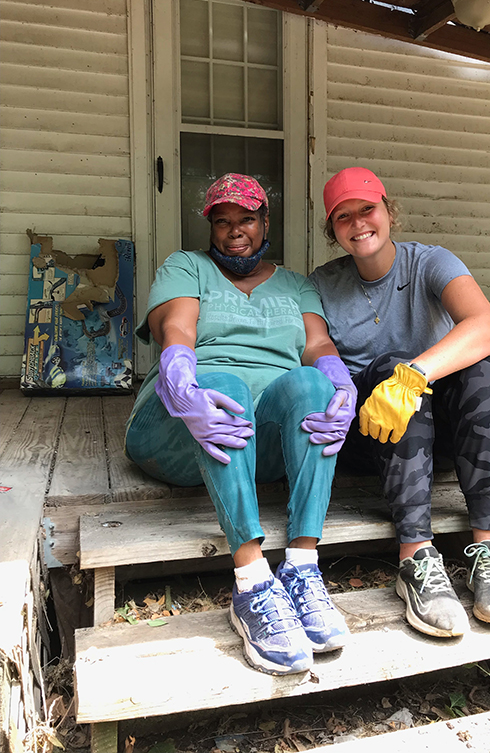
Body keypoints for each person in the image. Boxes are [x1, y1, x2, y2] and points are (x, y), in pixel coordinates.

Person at [125, 173, 356, 675]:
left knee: (312, 385)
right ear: (210, 227)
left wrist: (340, 381)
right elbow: (178, 328)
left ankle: (301, 569)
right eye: (223, 221)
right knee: (225, 388)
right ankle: (252, 583)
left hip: (259, 441)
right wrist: (181, 379)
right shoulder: (187, 267)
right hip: (182, 421)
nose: (235, 231)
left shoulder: (296, 283)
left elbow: (315, 345)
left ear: (264, 221)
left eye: (246, 219)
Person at [309, 166, 490, 639]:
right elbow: (317, 351)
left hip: (441, 442)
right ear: (333, 230)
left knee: (480, 369)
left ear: (388, 210)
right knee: (388, 368)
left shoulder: (430, 262)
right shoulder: (322, 284)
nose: (358, 223)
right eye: (342, 216)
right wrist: (383, 382)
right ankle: (415, 559)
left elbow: (485, 326)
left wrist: (415, 375)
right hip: (371, 439)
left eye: (366, 209)